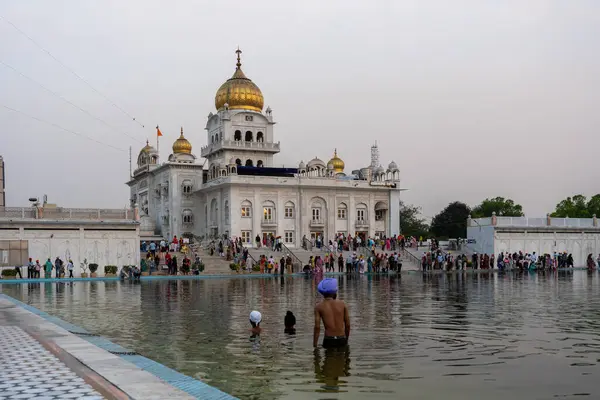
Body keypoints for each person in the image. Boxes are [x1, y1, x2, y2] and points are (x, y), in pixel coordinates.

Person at [313, 278, 350, 348]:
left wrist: (315, 345)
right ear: (335, 291)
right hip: (341, 338)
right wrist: (346, 339)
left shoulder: (318, 307)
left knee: (328, 358)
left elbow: (317, 327)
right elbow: (347, 325)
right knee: (342, 358)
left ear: (322, 293)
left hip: (329, 340)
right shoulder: (343, 304)